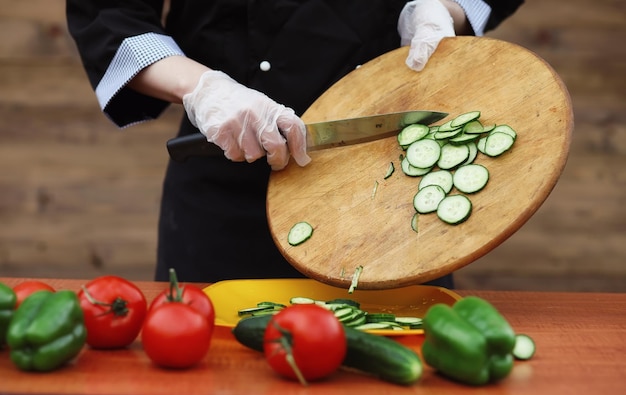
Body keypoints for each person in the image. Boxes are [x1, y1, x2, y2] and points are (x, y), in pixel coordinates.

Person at [66, 0, 523, 287]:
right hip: (226, 188)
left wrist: (442, 6)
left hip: (394, 190)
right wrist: (203, 88)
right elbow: (107, 11)